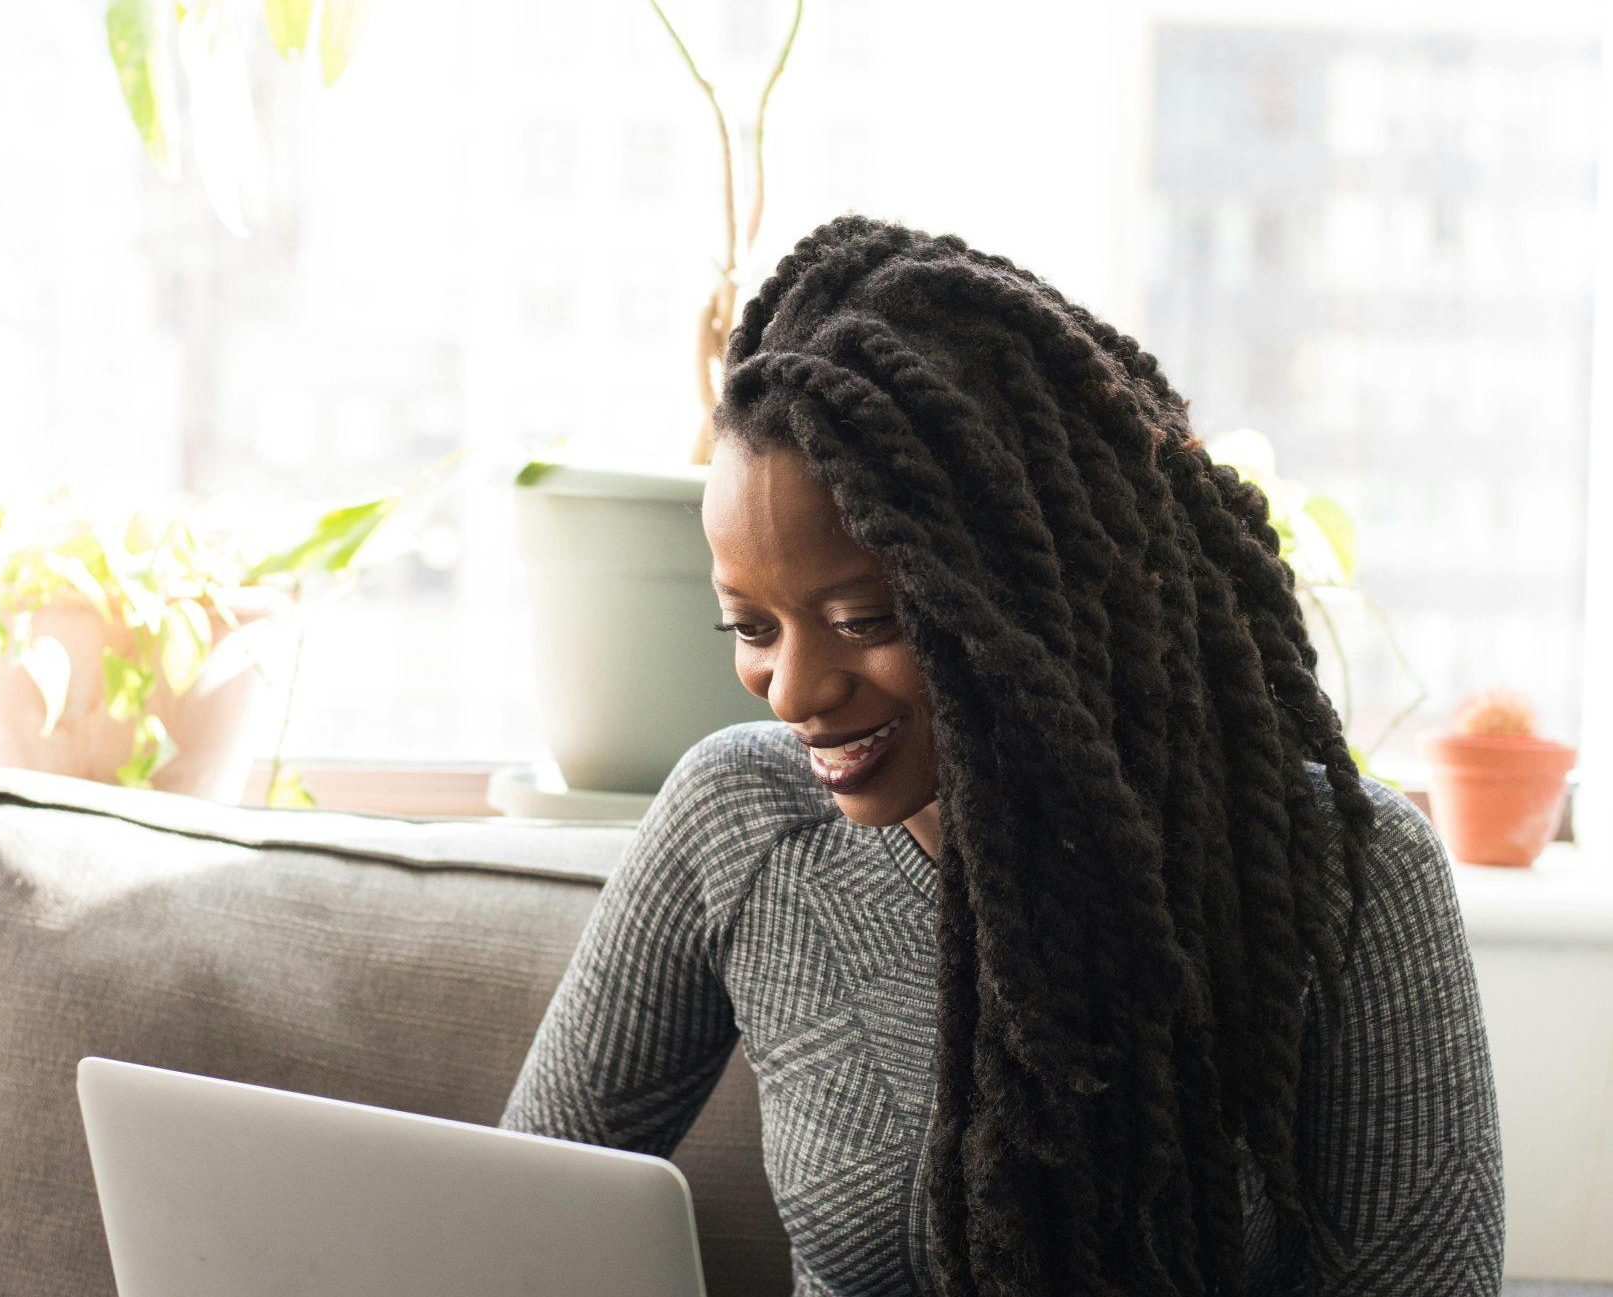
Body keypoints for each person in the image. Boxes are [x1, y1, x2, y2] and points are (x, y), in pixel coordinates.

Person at [499, 214, 1504, 1296]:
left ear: (1027, 600)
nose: (792, 690)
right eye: (750, 628)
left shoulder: (1350, 881)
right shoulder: (738, 820)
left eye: (863, 620)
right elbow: (512, 1219)